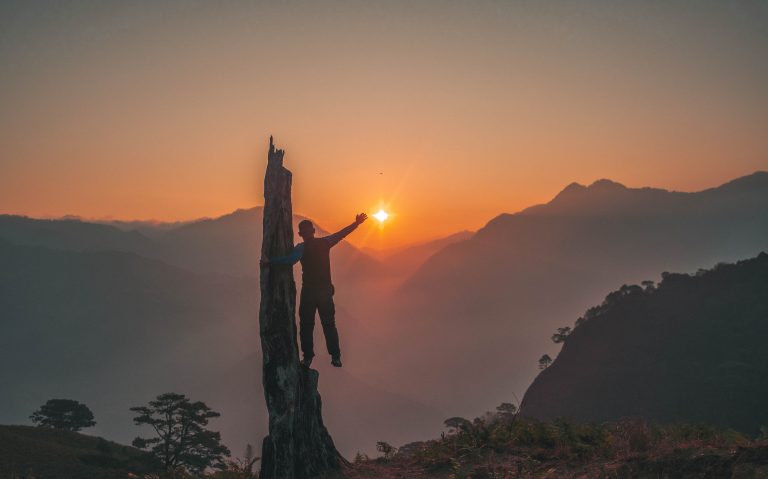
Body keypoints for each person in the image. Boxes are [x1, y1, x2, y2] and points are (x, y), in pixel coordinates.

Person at [261, 213, 368, 368]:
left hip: (309, 294)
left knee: (306, 326)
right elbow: (341, 234)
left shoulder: (301, 248)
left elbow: (290, 261)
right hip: (325, 293)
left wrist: (270, 261)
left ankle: (308, 358)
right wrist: (356, 223)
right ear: (313, 231)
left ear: (300, 234)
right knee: (329, 325)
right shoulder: (325, 243)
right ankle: (336, 356)